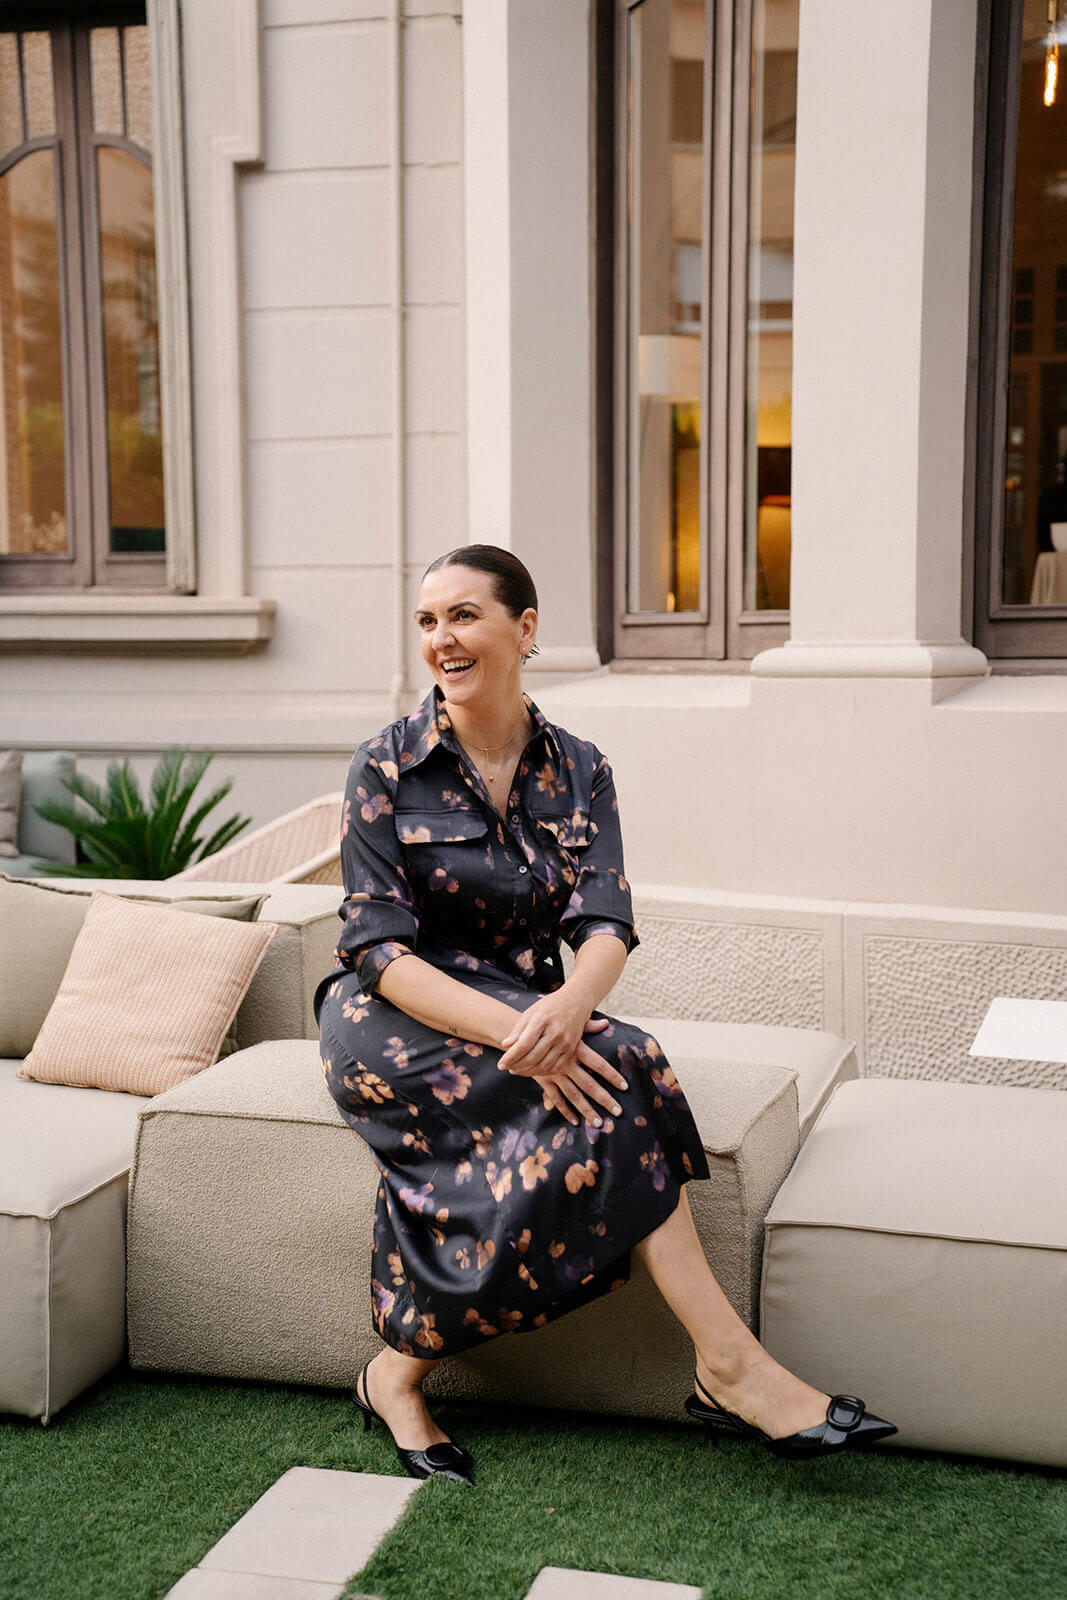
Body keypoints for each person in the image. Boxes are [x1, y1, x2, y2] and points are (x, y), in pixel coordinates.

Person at [313, 544, 896, 1485]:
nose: (441, 640)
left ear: (524, 629)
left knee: (625, 1058)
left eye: (463, 615)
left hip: (525, 1001)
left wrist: (569, 1004)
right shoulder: (384, 765)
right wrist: (521, 1035)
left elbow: (605, 920)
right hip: (392, 1020)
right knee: (598, 1079)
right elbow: (378, 951)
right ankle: (730, 1368)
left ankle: (398, 1373)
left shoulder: (580, 768)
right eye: (427, 622)